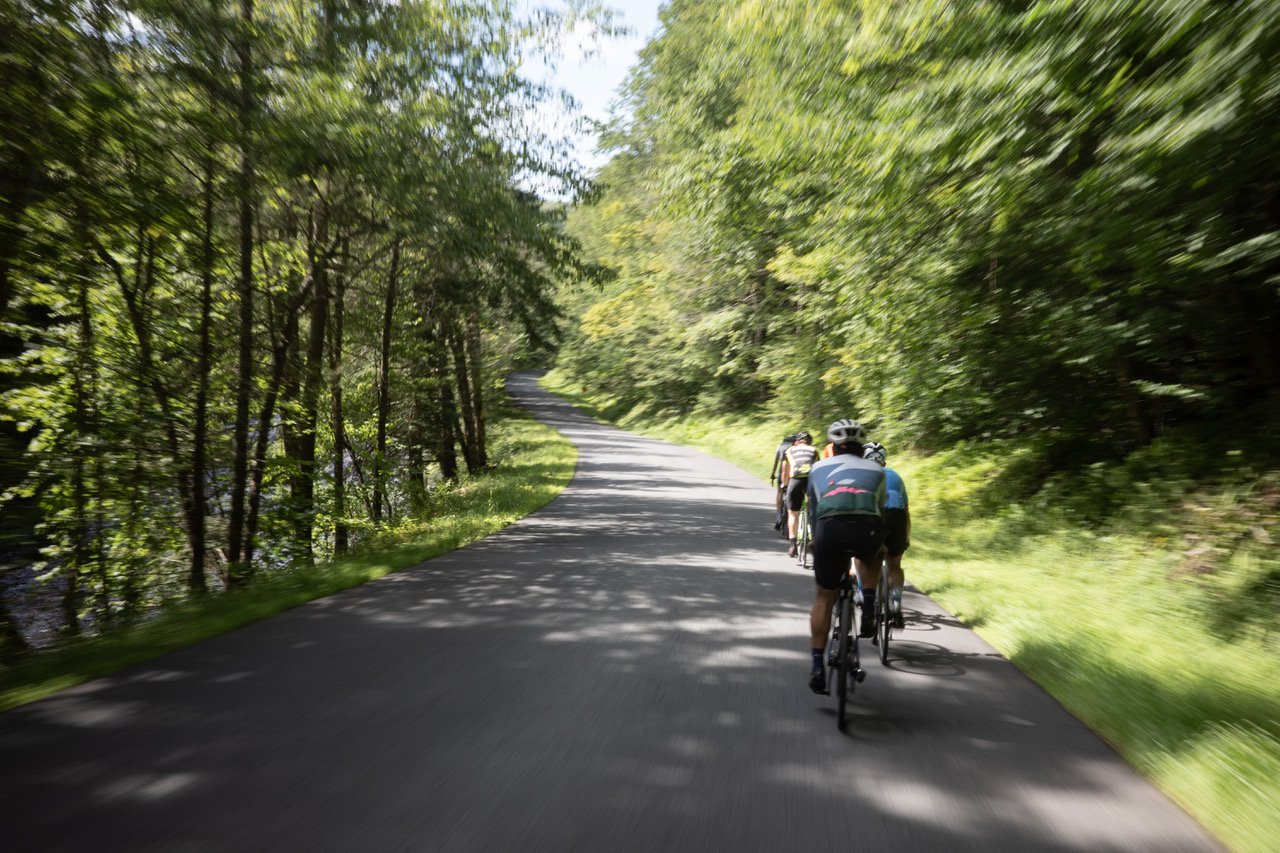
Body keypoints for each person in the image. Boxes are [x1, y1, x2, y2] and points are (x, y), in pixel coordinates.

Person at [803, 419, 886, 694]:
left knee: (824, 596)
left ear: (833, 448)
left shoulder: (817, 468)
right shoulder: (877, 469)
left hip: (829, 529)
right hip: (867, 528)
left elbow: (814, 511)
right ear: (862, 448)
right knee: (873, 553)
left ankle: (817, 665)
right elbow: (880, 509)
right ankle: (870, 606)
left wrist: (818, 544)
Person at [862, 442, 910, 628]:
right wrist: (905, 537)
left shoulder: (864, 473)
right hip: (896, 519)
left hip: (873, 517)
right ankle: (896, 602)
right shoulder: (896, 475)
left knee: (863, 557)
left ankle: (862, 592)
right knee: (895, 564)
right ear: (884, 459)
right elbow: (906, 512)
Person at [779, 431, 818, 557]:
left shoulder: (790, 450)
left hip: (795, 481)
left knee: (793, 514)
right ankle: (814, 540)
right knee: (813, 510)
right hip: (811, 480)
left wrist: (784, 486)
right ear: (809, 441)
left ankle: (792, 545)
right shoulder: (814, 450)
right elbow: (818, 468)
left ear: (797, 441)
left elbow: (785, 471)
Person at [769, 432, 801, 533]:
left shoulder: (780, 447)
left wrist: (772, 474)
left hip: (782, 473)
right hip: (794, 474)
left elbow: (775, 462)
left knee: (779, 492)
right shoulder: (796, 448)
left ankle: (779, 515)